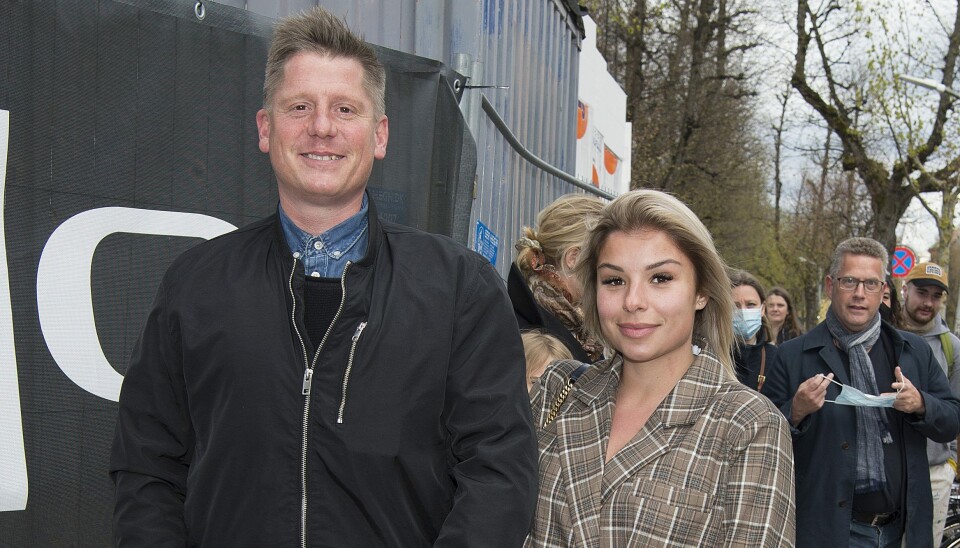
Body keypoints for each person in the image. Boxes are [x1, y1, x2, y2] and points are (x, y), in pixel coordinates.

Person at [110, 8, 538, 546]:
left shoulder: (459, 290)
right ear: (265, 128)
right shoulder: (196, 286)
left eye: (345, 108)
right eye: (299, 107)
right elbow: (146, 467)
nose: (322, 127)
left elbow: (499, 473)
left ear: (379, 135)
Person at [527, 189, 795, 546]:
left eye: (661, 278)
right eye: (614, 280)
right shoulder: (558, 388)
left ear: (701, 291)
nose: (633, 301)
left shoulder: (747, 423)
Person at [762, 237, 960, 547]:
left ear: (883, 291)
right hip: (829, 531)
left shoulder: (913, 351)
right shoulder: (792, 356)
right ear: (830, 286)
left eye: (870, 284)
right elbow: (763, 442)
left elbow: (951, 421)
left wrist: (922, 404)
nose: (859, 294)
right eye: (849, 281)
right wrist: (795, 411)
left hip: (902, 530)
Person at [899, 261, 960, 545]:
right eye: (922, 292)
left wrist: (950, 465)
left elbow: (956, 411)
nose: (928, 303)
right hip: (889, 471)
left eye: (936, 296)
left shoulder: (952, 347)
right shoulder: (882, 333)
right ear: (905, 290)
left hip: (934, 471)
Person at [510, 194, 605, 362]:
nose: (612, 273)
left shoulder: (577, 328)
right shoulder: (525, 335)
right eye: (606, 260)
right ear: (574, 258)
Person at [730, 269, 779, 391]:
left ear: (762, 309)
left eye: (751, 304)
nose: (743, 311)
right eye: (735, 306)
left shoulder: (777, 358)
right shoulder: (711, 356)